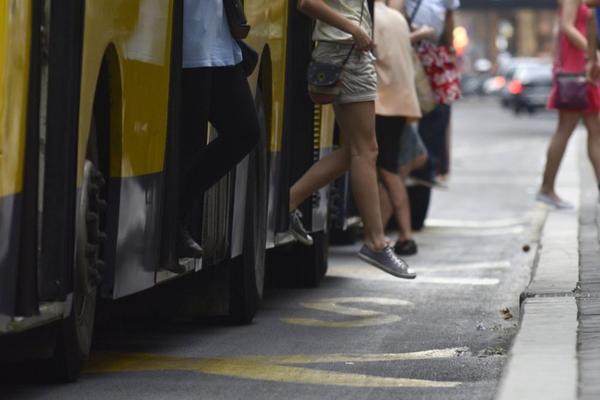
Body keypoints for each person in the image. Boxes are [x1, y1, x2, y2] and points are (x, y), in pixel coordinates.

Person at [291, 0, 416, 279]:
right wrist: (355, 30)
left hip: (346, 52)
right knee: (365, 151)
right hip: (345, 52)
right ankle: (376, 242)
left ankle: (289, 201)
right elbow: (307, 3)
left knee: (356, 152)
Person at [178, 0, 260, 259]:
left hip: (217, 37)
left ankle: (176, 207)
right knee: (190, 141)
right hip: (187, 37)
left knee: (244, 131)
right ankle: (175, 221)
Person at [373, 0, 429, 255]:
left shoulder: (369, 19)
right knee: (391, 169)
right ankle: (399, 235)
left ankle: (390, 235)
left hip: (379, 102)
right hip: (401, 103)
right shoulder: (397, 20)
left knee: (386, 170)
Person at [538, 0, 600, 209]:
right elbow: (567, 26)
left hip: (584, 68)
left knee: (594, 129)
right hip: (574, 70)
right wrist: (593, 54)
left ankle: (547, 188)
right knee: (565, 129)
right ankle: (546, 188)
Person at [404, 0, 461, 187]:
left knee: (441, 108)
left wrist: (450, 50)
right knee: (410, 111)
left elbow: (449, 18)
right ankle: (418, 164)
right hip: (411, 50)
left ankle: (431, 166)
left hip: (435, 52)